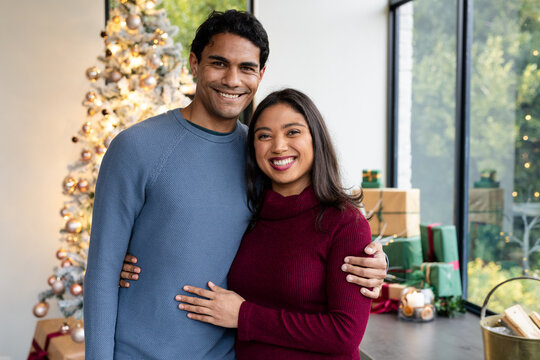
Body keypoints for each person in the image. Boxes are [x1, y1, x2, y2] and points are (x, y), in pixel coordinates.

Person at [85, 10, 386, 360]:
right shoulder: (136, 147)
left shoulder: (260, 155)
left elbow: (304, 226)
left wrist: (373, 260)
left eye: (246, 68)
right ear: (194, 64)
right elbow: (102, 273)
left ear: (260, 75)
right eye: (218, 63)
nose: (232, 79)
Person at [176, 88, 372, 359]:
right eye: (264, 136)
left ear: (316, 138)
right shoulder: (246, 215)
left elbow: (344, 335)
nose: (278, 146)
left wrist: (245, 316)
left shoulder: (345, 223)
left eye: (292, 132)